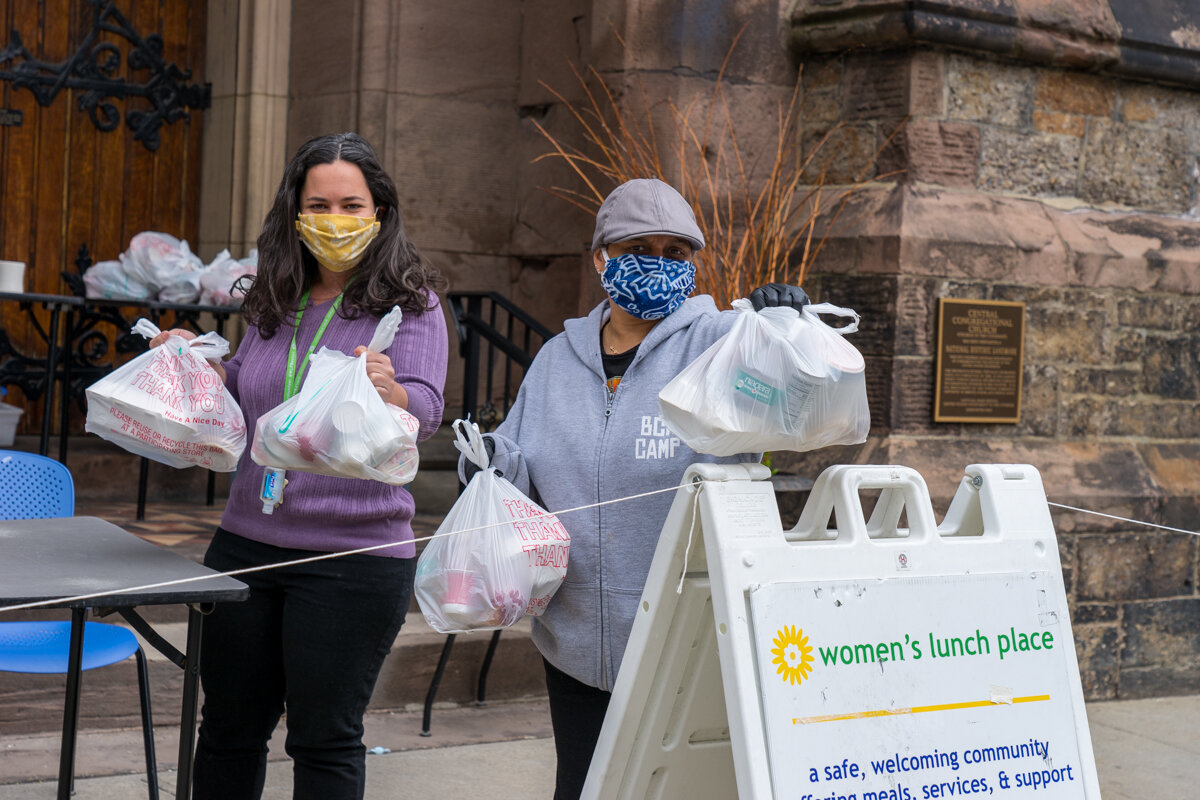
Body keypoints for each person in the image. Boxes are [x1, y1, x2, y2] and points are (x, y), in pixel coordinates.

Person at [459, 177, 808, 799]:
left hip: (687, 639)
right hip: (573, 639)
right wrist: (484, 462)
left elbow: (796, 398)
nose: (659, 263)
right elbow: (516, 464)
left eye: (676, 253)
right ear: (601, 258)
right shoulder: (556, 362)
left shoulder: (720, 342)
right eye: (639, 247)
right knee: (584, 788)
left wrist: (783, 326)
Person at [151, 132, 448, 799]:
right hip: (245, 546)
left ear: (379, 213)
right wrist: (191, 361)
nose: (335, 220)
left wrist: (389, 389)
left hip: (354, 559)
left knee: (322, 739)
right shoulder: (273, 297)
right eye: (320, 203)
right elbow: (242, 391)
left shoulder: (410, 305)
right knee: (226, 728)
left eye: (351, 204)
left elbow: (425, 412)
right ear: (296, 210)